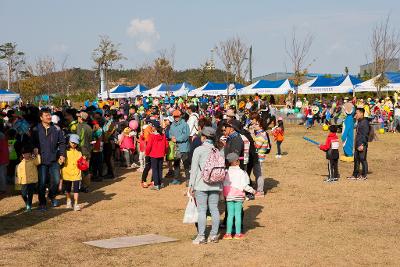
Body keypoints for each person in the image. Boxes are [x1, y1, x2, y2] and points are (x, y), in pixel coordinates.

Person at [188, 127, 222, 244]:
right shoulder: (218, 150)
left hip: (201, 184)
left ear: (204, 137)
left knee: (201, 210)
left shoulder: (199, 150)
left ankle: (201, 236)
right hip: (216, 183)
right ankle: (213, 236)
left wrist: (191, 186)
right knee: (214, 209)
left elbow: (194, 170)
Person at [32, 108, 66, 210]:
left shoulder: (56, 129)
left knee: (56, 181)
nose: (49, 117)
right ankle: (42, 203)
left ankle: (51, 196)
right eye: (46, 115)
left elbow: (62, 143)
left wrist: (62, 154)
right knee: (42, 182)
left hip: (54, 159)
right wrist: (33, 148)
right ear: (41, 117)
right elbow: (31, 142)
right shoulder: (35, 129)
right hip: (41, 160)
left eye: (49, 115)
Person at [223, 153, 256, 240]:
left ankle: (228, 234)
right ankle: (238, 234)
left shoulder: (226, 172)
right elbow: (245, 186)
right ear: (237, 162)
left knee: (230, 215)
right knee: (238, 214)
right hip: (239, 196)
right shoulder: (242, 172)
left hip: (229, 196)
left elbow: (224, 184)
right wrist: (253, 191)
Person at [16, 145, 41, 211]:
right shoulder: (20, 164)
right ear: (23, 155)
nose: (27, 155)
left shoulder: (33, 161)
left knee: (30, 193)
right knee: (23, 194)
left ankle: (29, 205)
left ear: (30, 154)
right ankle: (27, 202)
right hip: (24, 181)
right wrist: (19, 181)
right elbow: (18, 173)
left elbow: (38, 162)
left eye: (28, 153)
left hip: (32, 181)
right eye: (25, 153)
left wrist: (37, 154)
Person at [61, 134, 83, 211]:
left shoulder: (79, 153)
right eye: (72, 142)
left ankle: (76, 203)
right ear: (69, 142)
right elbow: (60, 162)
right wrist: (60, 161)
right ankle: (68, 201)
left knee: (76, 189)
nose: (74, 144)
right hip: (67, 173)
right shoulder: (65, 152)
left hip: (76, 173)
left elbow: (81, 163)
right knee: (68, 189)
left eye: (75, 143)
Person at [169, 110, 191, 185]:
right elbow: (170, 134)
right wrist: (171, 137)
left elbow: (186, 135)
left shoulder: (185, 124)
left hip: (184, 147)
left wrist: (177, 139)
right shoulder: (172, 125)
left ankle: (188, 179)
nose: (176, 118)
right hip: (175, 147)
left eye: (177, 116)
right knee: (176, 164)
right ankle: (176, 179)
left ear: (180, 116)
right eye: (175, 116)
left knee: (186, 164)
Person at [145, 120, 168, 190]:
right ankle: (160, 183)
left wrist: (147, 153)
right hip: (161, 154)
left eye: (152, 126)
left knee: (155, 169)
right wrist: (165, 152)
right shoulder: (163, 135)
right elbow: (166, 145)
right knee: (160, 169)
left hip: (154, 154)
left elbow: (149, 146)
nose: (151, 127)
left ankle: (156, 184)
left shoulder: (152, 136)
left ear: (155, 127)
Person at [348, 108, 370, 180]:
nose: (355, 115)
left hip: (362, 144)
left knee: (362, 159)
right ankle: (355, 175)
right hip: (357, 143)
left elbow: (365, 135)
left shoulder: (365, 122)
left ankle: (364, 175)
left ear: (361, 113)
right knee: (356, 159)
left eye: (357, 113)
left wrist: (362, 144)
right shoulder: (359, 121)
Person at [76, 111, 92, 192]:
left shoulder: (80, 126)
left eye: (78, 117)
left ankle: (82, 186)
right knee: (86, 169)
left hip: (81, 150)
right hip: (88, 150)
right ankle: (86, 187)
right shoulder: (89, 127)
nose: (77, 118)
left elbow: (79, 139)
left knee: (81, 169)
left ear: (81, 118)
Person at [0, 123, 9, 194]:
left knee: (2, 174)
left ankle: (3, 189)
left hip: (2, 158)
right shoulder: (3, 136)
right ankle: (3, 188)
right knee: (3, 174)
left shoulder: (1, 136)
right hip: (4, 158)